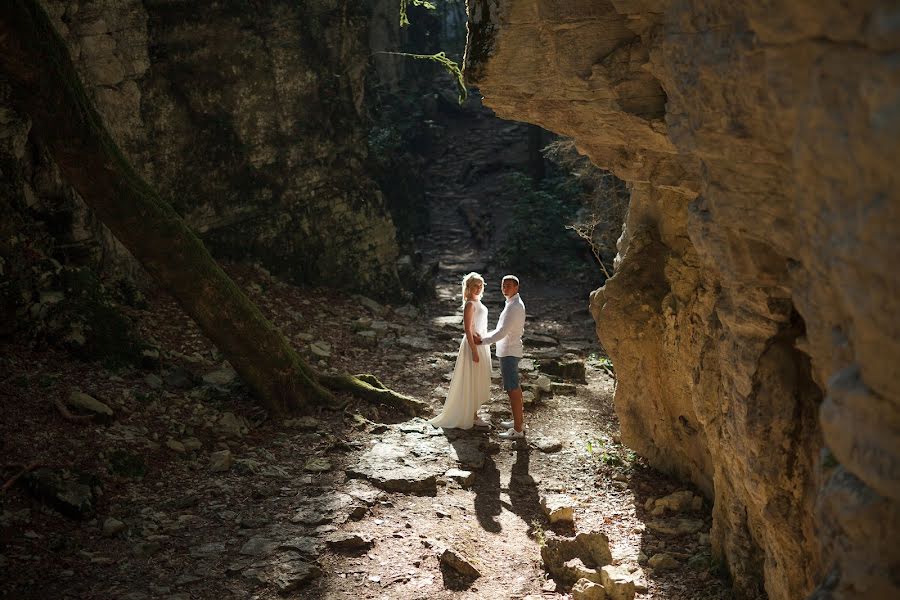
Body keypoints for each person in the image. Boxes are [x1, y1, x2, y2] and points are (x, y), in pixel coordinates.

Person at [428, 272, 492, 430]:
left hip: (482, 344)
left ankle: (474, 413)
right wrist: (474, 351)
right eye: (475, 285)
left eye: (480, 285)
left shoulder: (478, 302)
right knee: (471, 378)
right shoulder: (470, 304)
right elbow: (468, 330)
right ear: (468, 287)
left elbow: (479, 326)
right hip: (472, 346)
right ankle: (471, 415)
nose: (478, 288)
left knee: (478, 378)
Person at [475, 275, 526, 439]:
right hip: (508, 350)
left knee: (512, 389)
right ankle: (518, 422)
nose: (505, 288)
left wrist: (482, 341)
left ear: (516, 287)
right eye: (503, 285)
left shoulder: (514, 306)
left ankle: (518, 430)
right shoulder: (511, 303)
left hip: (510, 352)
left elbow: (502, 332)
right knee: (514, 388)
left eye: (509, 286)